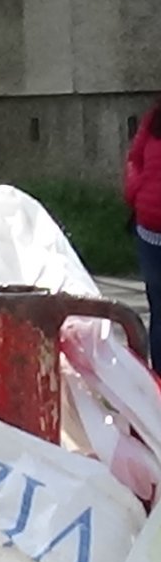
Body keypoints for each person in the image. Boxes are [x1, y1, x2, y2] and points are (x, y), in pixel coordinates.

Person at [128, 96, 161, 367]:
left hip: (150, 226)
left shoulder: (154, 119)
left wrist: (137, 197)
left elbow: (134, 161)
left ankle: (158, 381)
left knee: (159, 307)